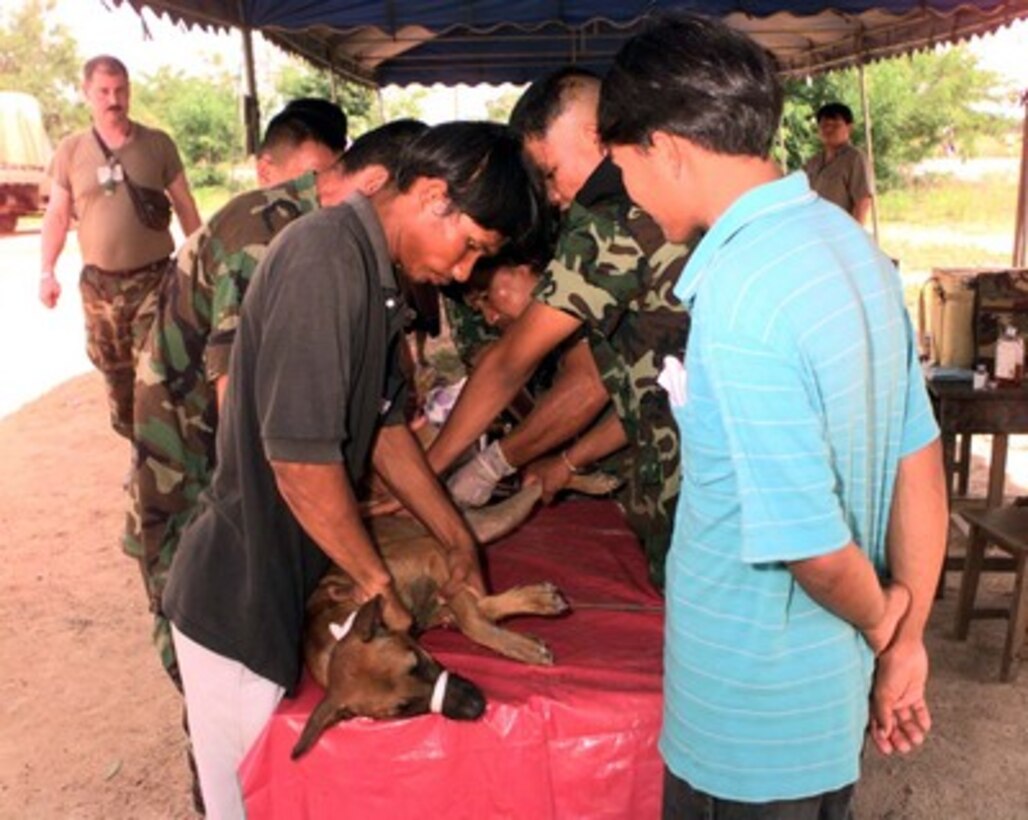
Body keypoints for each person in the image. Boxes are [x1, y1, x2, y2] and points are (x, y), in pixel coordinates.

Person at [598, 12, 948, 816]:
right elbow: (917, 460)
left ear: (666, 147)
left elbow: (815, 548)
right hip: (820, 710)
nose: (628, 189)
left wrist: (884, 618)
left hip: (745, 723)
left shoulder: (743, 291)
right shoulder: (849, 248)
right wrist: (905, 640)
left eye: (623, 163)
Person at [161, 121, 542, 819]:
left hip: (284, 589)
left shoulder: (373, 277)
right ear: (433, 197)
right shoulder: (325, 260)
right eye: (471, 249)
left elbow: (387, 428)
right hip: (238, 600)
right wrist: (375, 582)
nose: (464, 274)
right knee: (250, 803)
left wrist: (452, 534)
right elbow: (299, 463)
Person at [128, 114, 428, 692]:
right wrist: (340, 510)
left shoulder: (333, 239)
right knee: (210, 657)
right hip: (192, 473)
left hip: (229, 477)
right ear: (381, 185)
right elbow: (246, 412)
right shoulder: (275, 236)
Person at [426, 67, 691, 588]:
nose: (549, 195)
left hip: (692, 484)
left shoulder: (608, 219)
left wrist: (436, 472)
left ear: (592, 135)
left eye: (548, 173)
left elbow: (512, 364)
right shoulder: (667, 199)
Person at [40, 55, 201, 439]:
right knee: (116, 375)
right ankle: (137, 449)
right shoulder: (71, 150)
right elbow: (57, 216)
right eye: (104, 92)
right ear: (87, 94)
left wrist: (201, 261)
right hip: (100, 287)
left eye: (121, 90)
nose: (114, 99)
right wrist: (47, 271)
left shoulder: (158, 145)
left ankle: (163, 456)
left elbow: (185, 204)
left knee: (157, 367)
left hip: (153, 279)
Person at [446, 250, 612, 507]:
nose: (490, 317)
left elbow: (588, 385)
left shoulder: (586, 284)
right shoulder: (558, 329)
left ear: (523, 266)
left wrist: (494, 463)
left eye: (486, 298)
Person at [804, 101, 873, 224]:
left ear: (849, 128)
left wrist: (854, 235)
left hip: (841, 231)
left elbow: (862, 201)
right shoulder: (813, 161)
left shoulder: (855, 158)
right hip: (816, 229)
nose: (828, 130)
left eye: (835, 125)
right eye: (824, 125)